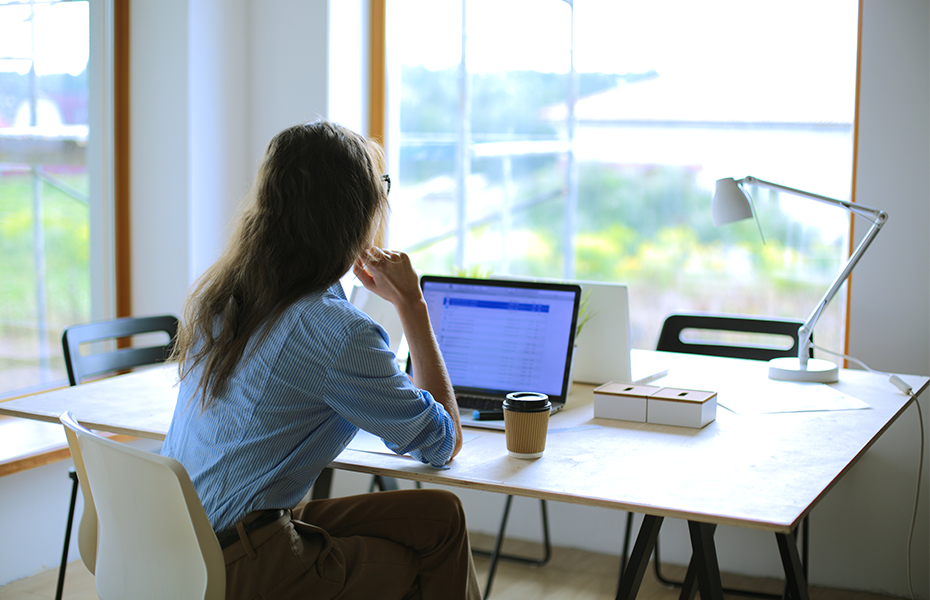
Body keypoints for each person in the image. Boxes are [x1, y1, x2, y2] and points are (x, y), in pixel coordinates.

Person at [161, 120, 481, 600]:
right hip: (239, 563)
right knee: (421, 558)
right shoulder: (335, 331)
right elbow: (442, 442)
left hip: (178, 544)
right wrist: (412, 306)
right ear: (355, 213)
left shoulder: (227, 295)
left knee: (441, 516)